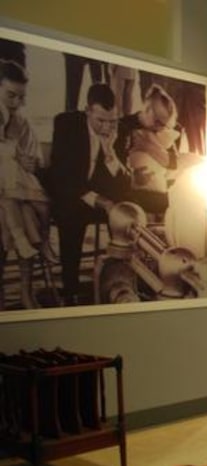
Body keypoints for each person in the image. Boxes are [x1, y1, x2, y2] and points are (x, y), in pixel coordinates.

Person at [47, 83, 163, 306]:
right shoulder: (65, 124)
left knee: (126, 211)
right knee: (70, 217)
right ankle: (70, 291)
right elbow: (64, 177)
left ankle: (124, 278)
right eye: (100, 120)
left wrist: (110, 154)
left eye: (111, 120)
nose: (106, 126)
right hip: (72, 193)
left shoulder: (115, 128)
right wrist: (101, 201)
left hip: (103, 195)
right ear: (87, 110)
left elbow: (120, 185)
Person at [0, 59, 52, 310]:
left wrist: (32, 164)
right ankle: (23, 292)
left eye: (21, 98)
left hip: (17, 194)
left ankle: (24, 291)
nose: (16, 103)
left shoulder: (22, 122)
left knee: (25, 210)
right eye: (10, 96)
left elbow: (36, 163)